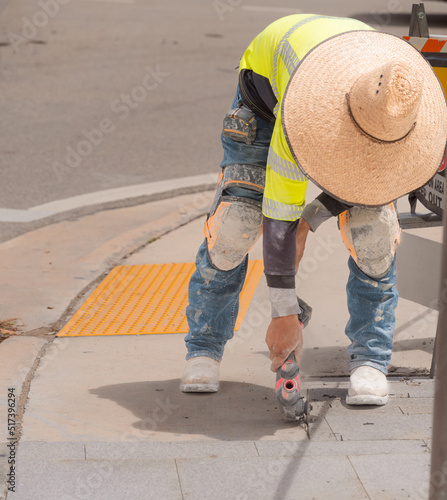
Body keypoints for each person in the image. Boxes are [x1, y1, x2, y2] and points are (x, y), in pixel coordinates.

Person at [180, 14, 447, 405]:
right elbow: (277, 213)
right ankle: (203, 347)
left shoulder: (407, 112)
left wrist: (310, 221)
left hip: (359, 98)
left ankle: (370, 360)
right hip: (267, 106)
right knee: (234, 226)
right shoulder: (303, 121)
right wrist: (283, 315)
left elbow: (368, 182)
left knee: (372, 233)